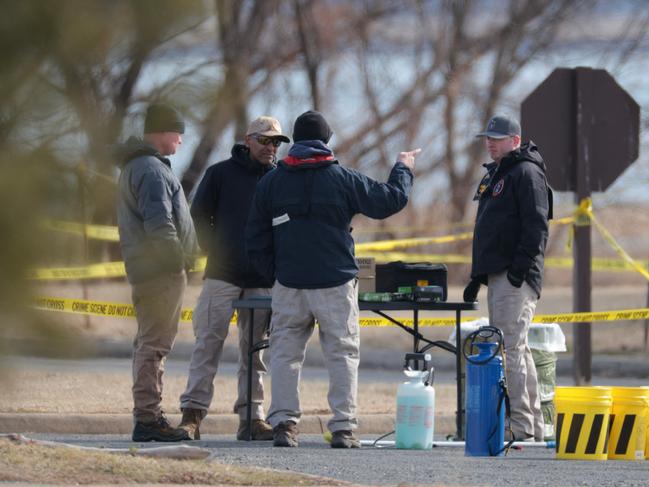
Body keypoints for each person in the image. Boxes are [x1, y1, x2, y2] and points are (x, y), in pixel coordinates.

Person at [245, 110, 420, 448]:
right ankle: (342, 428)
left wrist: (276, 274)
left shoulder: (272, 181)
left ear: (295, 140)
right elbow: (389, 200)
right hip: (335, 284)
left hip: (290, 284)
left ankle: (284, 425)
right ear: (326, 141)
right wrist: (403, 168)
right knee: (341, 354)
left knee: (284, 354)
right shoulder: (344, 178)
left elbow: (254, 235)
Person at [177, 117, 290, 441]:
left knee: (255, 352)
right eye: (266, 141)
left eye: (276, 143)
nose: (272, 148)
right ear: (248, 140)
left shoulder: (280, 179)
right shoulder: (219, 174)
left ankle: (251, 419)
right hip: (221, 275)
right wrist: (218, 249)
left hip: (261, 278)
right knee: (207, 344)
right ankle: (192, 416)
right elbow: (197, 218)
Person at [463, 114, 553, 442]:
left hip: (515, 278)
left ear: (515, 140)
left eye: (497, 138)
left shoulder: (526, 172)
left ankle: (522, 426)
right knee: (518, 348)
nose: (490, 142)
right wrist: (479, 274)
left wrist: (518, 270)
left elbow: (536, 227)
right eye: (488, 137)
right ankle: (531, 428)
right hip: (499, 275)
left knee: (510, 349)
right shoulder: (500, 172)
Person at [116, 104, 198, 442]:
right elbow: (160, 224)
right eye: (177, 131)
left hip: (148, 271)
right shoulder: (151, 170)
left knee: (150, 343)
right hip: (161, 271)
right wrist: (177, 260)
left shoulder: (138, 166)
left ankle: (149, 415)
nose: (181, 139)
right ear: (162, 133)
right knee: (154, 345)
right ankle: (148, 418)